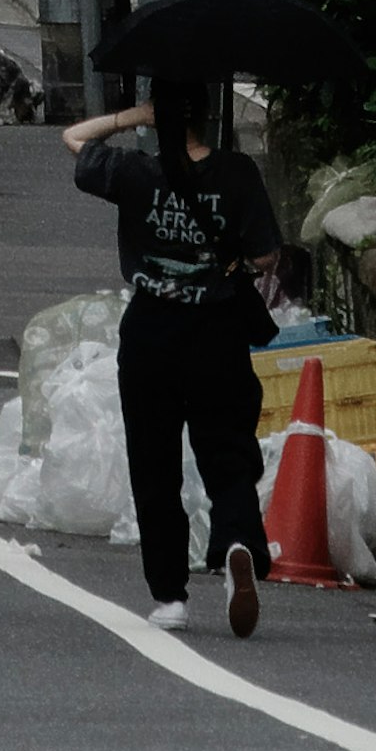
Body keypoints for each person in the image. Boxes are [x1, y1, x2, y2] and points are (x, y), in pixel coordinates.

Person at [65, 80, 288, 634]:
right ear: (207, 116)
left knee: (154, 463)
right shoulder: (237, 173)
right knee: (228, 451)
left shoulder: (136, 172)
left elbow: (73, 139)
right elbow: (264, 255)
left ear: (156, 117)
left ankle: (170, 598)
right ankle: (236, 541)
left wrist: (129, 116)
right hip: (216, 333)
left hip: (149, 333)